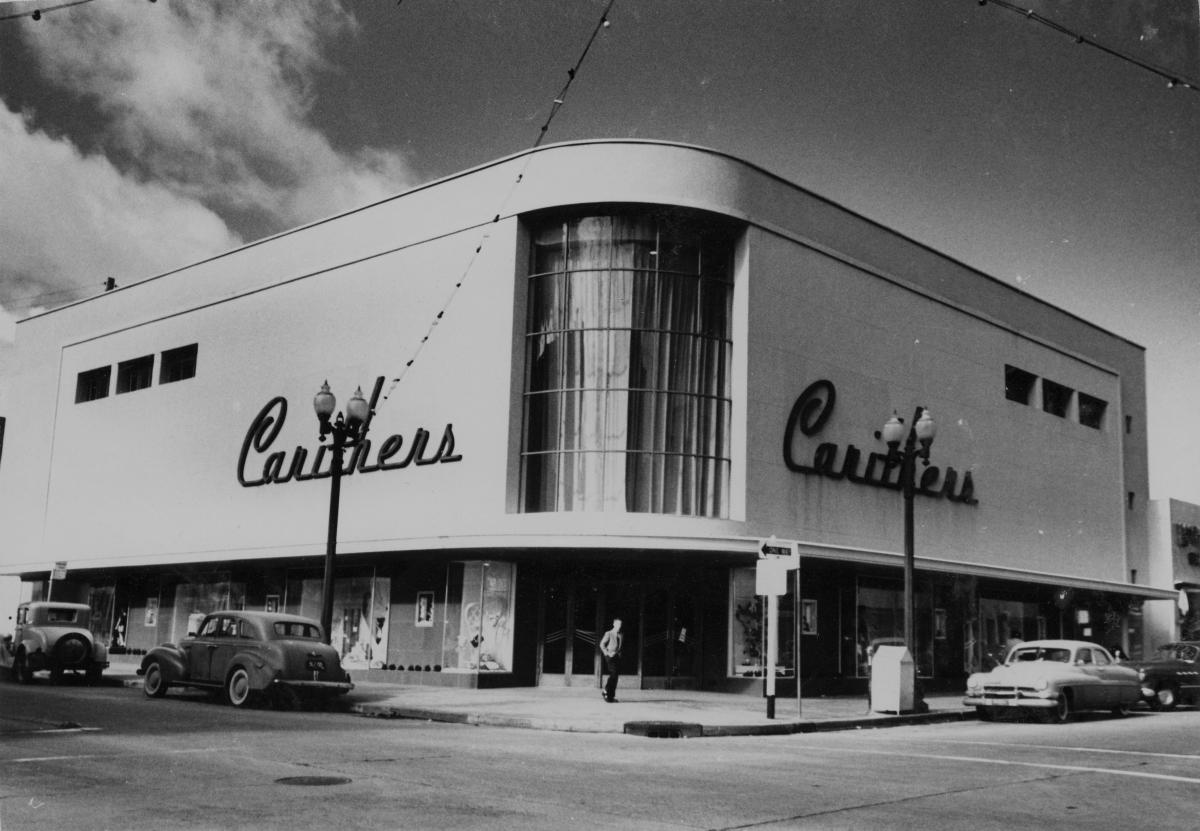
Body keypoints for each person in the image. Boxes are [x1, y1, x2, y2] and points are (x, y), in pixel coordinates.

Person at [599, 618, 623, 703]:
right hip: (609, 656)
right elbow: (601, 644)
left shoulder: (620, 635)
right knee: (613, 673)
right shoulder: (608, 633)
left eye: (620, 624)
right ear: (614, 624)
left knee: (615, 676)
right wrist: (608, 653)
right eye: (618, 624)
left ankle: (610, 697)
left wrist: (618, 654)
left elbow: (619, 647)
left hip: (617, 657)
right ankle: (606, 691)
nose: (619, 626)